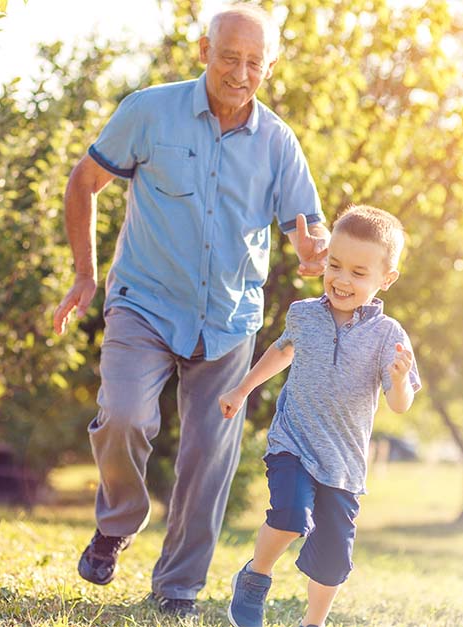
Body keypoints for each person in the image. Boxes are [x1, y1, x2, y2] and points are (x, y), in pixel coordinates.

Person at [51, 4, 330, 618]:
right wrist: (84, 274)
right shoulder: (149, 110)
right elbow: (83, 181)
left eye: (255, 62)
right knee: (123, 415)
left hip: (229, 320)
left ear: (270, 65)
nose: (240, 72)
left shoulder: (278, 142)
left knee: (209, 456)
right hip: (143, 302)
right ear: (204, 50)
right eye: (229, 57)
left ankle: (176, 588)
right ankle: (118, 521)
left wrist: (312, 248)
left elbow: (307, 225)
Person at [218, 206, 421, 627]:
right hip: (293, 441)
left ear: (386, 280)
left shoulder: (388, 336)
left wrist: (400, 381)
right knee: (290, 516)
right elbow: (282, 350)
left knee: (332, 561)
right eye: (335, 265)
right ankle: (255, 577)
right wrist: (242, 389)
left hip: (343, 464)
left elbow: (399, 404)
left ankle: (314, 622)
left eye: (358, 273)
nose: (342, 280)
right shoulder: (304, 314)